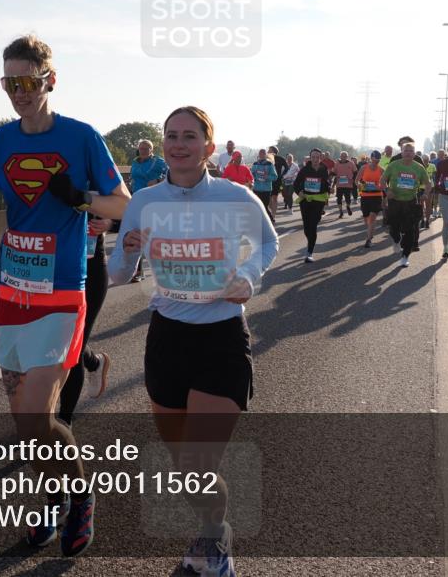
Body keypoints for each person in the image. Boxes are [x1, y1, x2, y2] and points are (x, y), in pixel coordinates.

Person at [0, 35, 129, 557]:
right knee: (27, 427)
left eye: (28, 81)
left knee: (36, 417)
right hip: (12, 292)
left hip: (61, 293)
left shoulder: (82, 137)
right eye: (10, 83)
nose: (19, 92)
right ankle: (52, 500)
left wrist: (79, 197)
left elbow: (123, 205)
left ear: (50, 81)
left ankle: (80, 496)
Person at [108, 106, 278, 577]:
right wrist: (126, 251)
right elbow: (119, 274)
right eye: (171, 136)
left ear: (208, 146)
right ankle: (213, 526)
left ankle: (214, 541)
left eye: (189, 136)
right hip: (167, 338)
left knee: (198, 464)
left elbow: (268, 243)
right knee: (184, 467)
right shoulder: (143, 201)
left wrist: (248, 275)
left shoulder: (234, 196)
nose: (178, 144)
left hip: (221, 338)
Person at [57, 215, 112, 425]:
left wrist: (110, 222)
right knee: (58, 339)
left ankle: (64, 423)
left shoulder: (96, 190)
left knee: (73, 347)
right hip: (51, 270)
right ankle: (95, 362)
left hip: (90, 271)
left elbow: (127, 208)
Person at [381, 143, 431, 268]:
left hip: (410, 201)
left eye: (411, 151)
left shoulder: (419, 167)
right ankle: (396, 240)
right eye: (406, 150)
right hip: (395, 201)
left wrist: (425, 193)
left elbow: (428, 183)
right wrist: (387, 190)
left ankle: (405, 256)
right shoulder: (393, 165)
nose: (408, 153)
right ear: (401, 152)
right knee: (394, 228)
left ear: (414, 154)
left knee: (410, 230)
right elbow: (382, 180)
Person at [129, 140, 167, 282]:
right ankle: (139, 271)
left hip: (154, 203)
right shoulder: (135, 162)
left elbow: (172, 176)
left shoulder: (159, 162)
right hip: (137, 201)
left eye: (147, 148)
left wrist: (158, 180)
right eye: (141, 148)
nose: (144, 151)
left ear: (152, 150)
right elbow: (133, 178)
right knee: (139, 235)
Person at [293, 149, 330, 263]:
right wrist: (299, 192)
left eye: (317, 157)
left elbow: (326, 183)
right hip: (305, 200)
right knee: (306, 228)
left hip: (318, 201)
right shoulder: (304, 170)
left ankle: (309, 252)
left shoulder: (324, 169)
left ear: (320, 158)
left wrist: (328, 191)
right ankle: (311, 241)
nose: (315, 159)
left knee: (313, 225)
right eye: (313, 157)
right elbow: (296, 183)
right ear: (310, 158)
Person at [356, 150, 385, 248]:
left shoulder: (381, 170)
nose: (377, 161)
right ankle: (370, 232)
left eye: (378, 159)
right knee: (366, 218)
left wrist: (380, 187)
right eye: (375, 159)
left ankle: (368, 240)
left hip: (376, 196)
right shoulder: (364, 168)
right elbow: (357, 181)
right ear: (371, 158)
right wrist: (360, 185)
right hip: (365, 196)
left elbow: (385, 184)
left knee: (372, 217)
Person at [251, 149, 278, 223]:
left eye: (263, 153)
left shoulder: (269, 164)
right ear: (259, 154)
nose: (261, 155)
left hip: (266, 189)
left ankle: (270, 218)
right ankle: (263, 220)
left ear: (266, 155)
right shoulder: (255, 164)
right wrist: (254, 177)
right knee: (258, 205)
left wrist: (267, 177)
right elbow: (251, 175)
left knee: (264, 206)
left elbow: (275, 177)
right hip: (256, 188)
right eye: (260, 153)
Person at [332, 151, 357, 218]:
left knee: (348, 198)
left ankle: (348, 206)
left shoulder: (351, 163)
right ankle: (341, 212)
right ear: (340, 156)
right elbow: (334, 173)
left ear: (347, 157)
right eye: (342, 156)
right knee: (339, 198)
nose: (343, 157)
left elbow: (355, 172)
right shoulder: (337, 164)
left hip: (348, 184)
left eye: (345, 156)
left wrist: (353, 180)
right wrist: (332, 184)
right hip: (339, 184)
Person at [268, 146, 288, 220]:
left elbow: (286, 168)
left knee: (274, 197)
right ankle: (271, 212)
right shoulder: (267, 159)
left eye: (269, 150)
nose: (268, 151)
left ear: (273, 151)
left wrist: (281, 175)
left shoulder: (280, 158)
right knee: (269, 199)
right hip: (269, 180)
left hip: (277, 180)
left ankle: (273, 215)